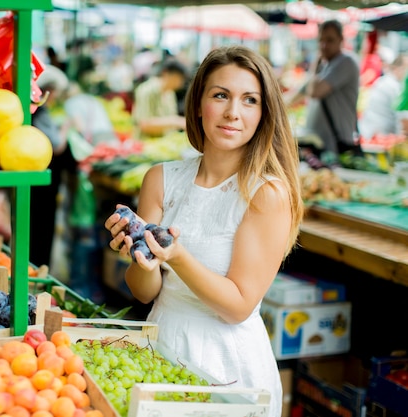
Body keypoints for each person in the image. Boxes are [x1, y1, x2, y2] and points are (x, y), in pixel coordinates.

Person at [105, 45, 304, 417]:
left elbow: (238, 306)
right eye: (221, 95)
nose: (232, 112)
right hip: (160, 351)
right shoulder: (161, 179)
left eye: (250, 100)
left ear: (263, 113)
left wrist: (178, 257)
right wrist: (139, 257)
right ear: (198, 104)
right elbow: (143, 292)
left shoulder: (267, 193)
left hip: (228, 371)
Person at [287, 20, 360, 162]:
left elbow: (315, 91)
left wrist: (314, 65)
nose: (324, 46)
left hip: (335, 147)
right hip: (318, 144)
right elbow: (296, 95)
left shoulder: (346, 62)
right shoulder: (325, 66)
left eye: (330, 40)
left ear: (341, 40)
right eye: (321, 41)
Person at [29, 65, 74, 268]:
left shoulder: (31, 109)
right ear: (50, 91)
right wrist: (65, 128)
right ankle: (38, 267)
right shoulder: (41, 110)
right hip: (43, 183)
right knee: (41, 227)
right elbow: (57, 146)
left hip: (34, 180)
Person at [132, 58, 188, 138]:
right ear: (166, 73)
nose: (180, 83)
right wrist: (175, 121)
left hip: (163, 143)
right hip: (145, 144)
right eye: (178, 78)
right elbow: (143, 124)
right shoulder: (146, 91)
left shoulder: (170, 93)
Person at [359, 55, 408, 141]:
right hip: (380, 136)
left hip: (369, 132)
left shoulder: (383, 81)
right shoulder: (394, 86)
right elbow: (401, 118)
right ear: (397, 68)